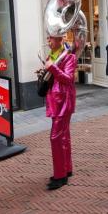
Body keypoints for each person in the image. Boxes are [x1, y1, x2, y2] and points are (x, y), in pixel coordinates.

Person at [42, 35, 77, 190]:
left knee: (55, 137)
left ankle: (60, 176)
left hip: (64, 101)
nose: (49, 41)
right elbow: (54, 77)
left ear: (60, 40)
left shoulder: (69, 57)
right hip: (55, 101)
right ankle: (66, 169)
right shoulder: (52, 55)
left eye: (51, 39)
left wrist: (51, 67)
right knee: (64, 136)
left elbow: (68, 79)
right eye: (48, 38)